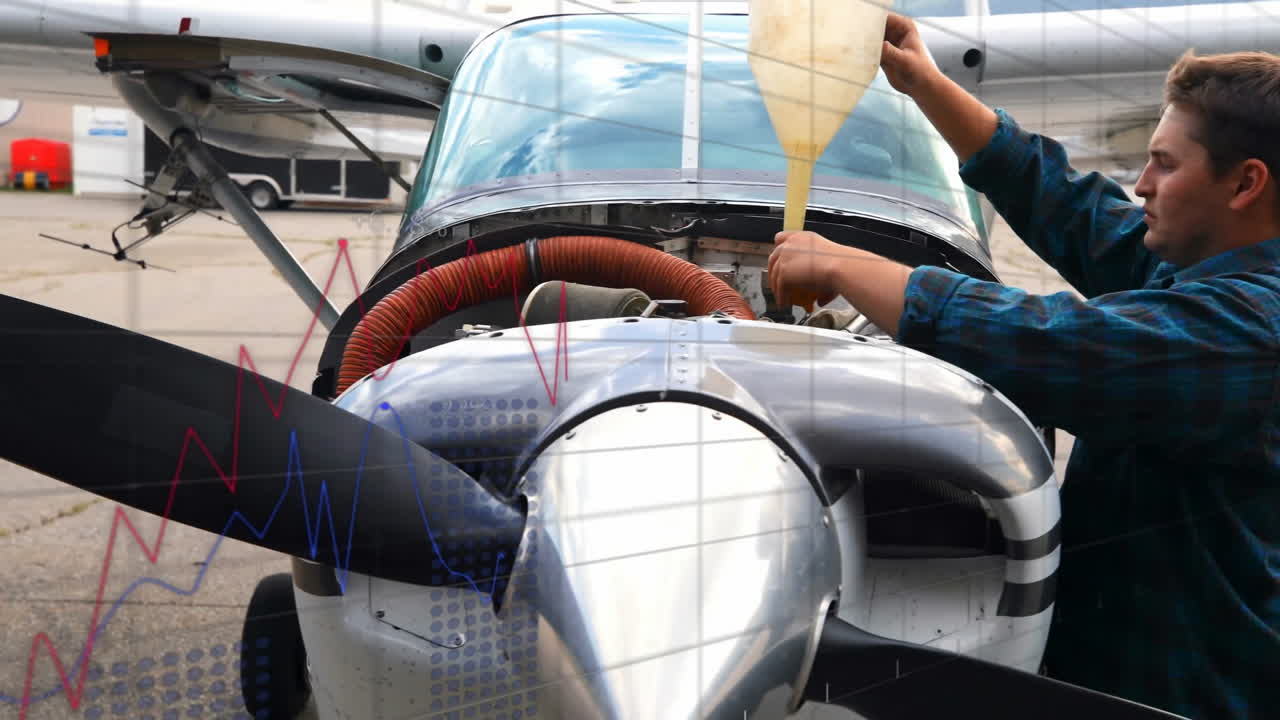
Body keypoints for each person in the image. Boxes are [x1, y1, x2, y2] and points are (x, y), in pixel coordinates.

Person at [767, 11, 1280, 719]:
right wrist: (923, 82)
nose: (1140, 185)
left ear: (1245, 184)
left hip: (1181, 695)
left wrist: (845, 266)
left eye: (1165, 163)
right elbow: (1073, 208)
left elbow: (1057, 345)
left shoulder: (1249, 333)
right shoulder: (1210, 266)